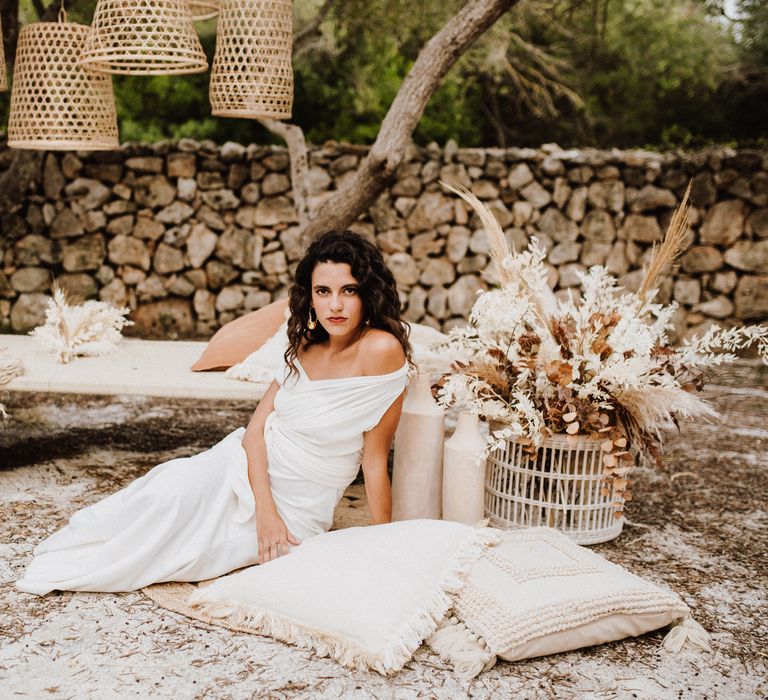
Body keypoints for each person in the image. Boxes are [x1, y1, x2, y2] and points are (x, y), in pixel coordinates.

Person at [17, 231, 413, 595]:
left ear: (368, 293)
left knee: (188, 553)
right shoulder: (307, 346)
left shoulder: (380, 351)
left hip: (298, 505)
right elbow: (255, 433)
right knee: (167, 491)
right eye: (323, 291)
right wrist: (264, 510)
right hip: (243, 468)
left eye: (349, 290)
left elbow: (375, 461)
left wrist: (383, 548)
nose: (335, 305)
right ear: (309, 298)